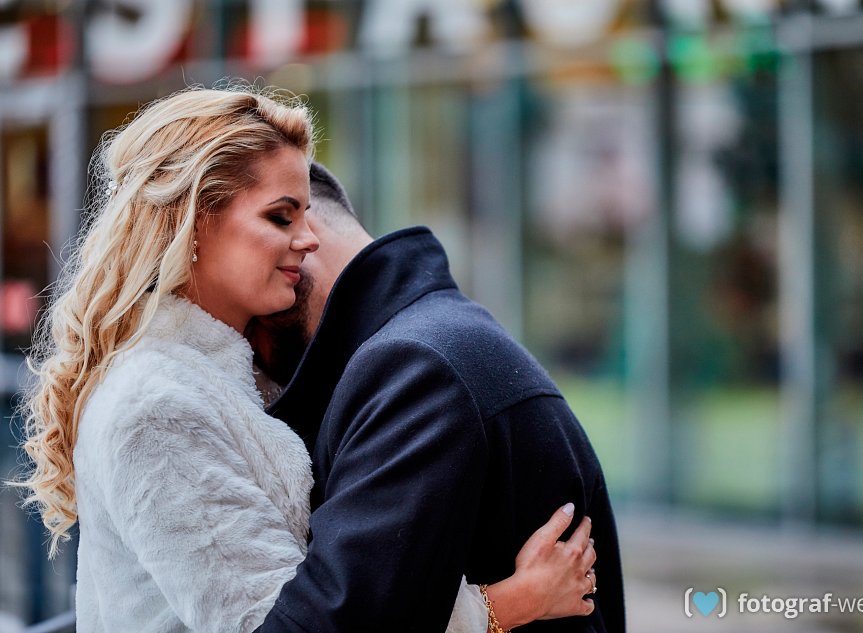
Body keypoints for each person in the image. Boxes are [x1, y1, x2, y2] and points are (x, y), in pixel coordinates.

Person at [11, 86, 597, 633]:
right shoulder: (159, 405)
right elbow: (287, 624)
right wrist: (507, 605)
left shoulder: (209, 381)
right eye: (281, 216)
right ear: (193, 222)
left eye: (305, 214)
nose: (309, 238)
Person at [246, 162, 626, 633]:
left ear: (298, 228)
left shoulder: (414, 368)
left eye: (241, 316)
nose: (244, 348)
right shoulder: (429, 345)